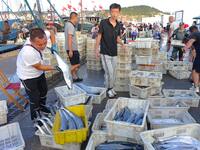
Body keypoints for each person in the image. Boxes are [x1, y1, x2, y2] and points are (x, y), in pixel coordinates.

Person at [16, 28, 60, 120]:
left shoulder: (41, 36)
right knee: (34, 98)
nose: (43, 46)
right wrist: (55, 67)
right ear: (31, 41)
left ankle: (42, 107)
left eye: (45, 43)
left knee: (44, 90)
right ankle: (35, 117)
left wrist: (54, 44)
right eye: (40, 45)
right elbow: (39, 66)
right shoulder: (28, 52)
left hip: (39, 73)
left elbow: (51, 32)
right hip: (27, 77)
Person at [95, 3, 126, 98]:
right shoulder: (103, 22)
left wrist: (122, 44)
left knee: (114, 72)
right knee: (109, 72)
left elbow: (117, 38)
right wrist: (96, 49)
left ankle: (110, 88)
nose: (114, 14)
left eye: (116, 11)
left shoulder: (119, 25)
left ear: (119, 12)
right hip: (105, 52)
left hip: (114, 52)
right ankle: (109, 89)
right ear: (110, 12)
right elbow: (99, 36)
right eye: (113, 11)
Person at [65, 12, 83, 83]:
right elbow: (70, 38)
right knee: (77, 64)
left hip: (71, 48)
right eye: (77, 18)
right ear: (74, 17)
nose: (78, 19)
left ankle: (75, 77)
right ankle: (67, 73)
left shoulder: (68, 24)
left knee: (74, 64)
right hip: (72, 49)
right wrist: (70, 50)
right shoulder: (70, 26)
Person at [184, 26, 200, 93]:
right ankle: (198, 86)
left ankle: (196, 88)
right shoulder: (198, 33)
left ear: (191, 31)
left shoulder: (195, 34)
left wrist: (185, 48)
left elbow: (190, 42)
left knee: (195, 71)